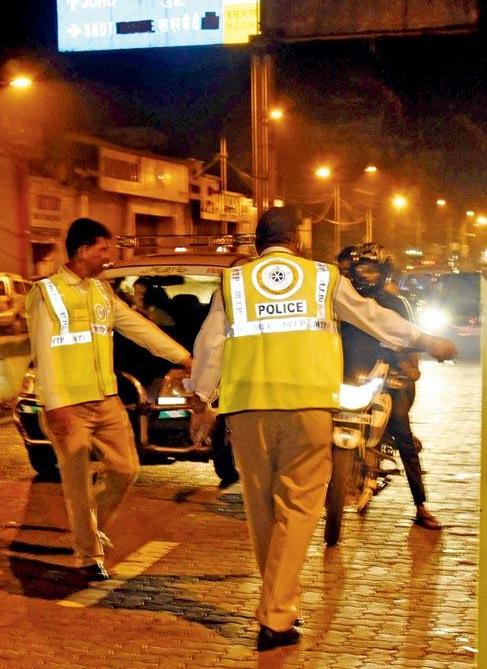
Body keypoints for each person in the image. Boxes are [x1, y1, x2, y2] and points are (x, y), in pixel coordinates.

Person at [188, 207, 457, 651]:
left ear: (257, 241)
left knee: (262, 510)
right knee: (297, 510)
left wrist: (202, 399)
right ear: (296, 238)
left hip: (248, 407)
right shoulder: (322, 277)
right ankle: (274, 617)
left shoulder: (233, 282)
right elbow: (373, 317)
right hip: (306, 404)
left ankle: (280, 607)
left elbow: (210, 344)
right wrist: (425, 340)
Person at [28, 218, 192, 582]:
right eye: (104, 249)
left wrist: (182, 357)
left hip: (105, 400)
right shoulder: (47, 294)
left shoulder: (102, 292)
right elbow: (43, 351)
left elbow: (139, 328)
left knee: (126, 469)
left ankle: (88, 526)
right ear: (84, 250)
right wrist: (54, 405)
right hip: (68, 405)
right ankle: (88, 554)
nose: (110, 256)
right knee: (76, 482)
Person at [341, 243, 440, 530]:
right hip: (347, 379)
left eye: (371, 270)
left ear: (383, 273)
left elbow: (410, 340)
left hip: (387, 380)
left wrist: (410, 366)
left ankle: (421, 506)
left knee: (404, 438)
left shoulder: (396, 305)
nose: (363, 276)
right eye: (359, 270)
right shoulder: (343, 303)